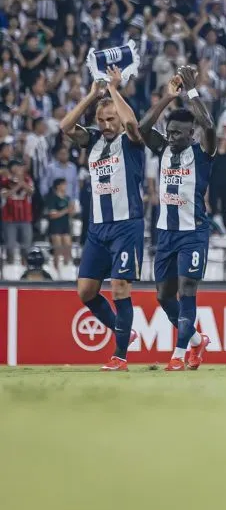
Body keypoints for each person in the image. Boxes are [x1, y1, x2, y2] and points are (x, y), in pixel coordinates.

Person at [59, 70, 145, 371]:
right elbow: (65, 125)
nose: (107, 125)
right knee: (86, 292)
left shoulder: (132, 143)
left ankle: (120, 356)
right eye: (103, 120)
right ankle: (126, 332)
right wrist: (93, 96)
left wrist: (114, 89)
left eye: (111, 120)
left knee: (120, 285)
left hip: (127, 224)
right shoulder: (93, 141)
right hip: (98, 228)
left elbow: (133, 123)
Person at [139, 66, 216, 371]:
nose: (171, 137)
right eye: (169, 132)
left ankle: (180, 354)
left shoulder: (203, 152)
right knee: (163, 297)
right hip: (165, 233)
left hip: (193, 233)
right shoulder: (163, 149)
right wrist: (166, 99)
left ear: (190, 134)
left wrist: (192, 90)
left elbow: (208, 125)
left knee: (187, 290)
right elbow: (143, 130)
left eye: (177, 133)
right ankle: (197, 341)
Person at [44, 177, 76, 270]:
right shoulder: (52, 198)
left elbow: (70, 213)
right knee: (57, 249)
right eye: (64, 184)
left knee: (68, 247)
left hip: (65, 225)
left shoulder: (67, 198)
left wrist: (72, 210)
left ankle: (66, 267)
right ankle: (56, 268)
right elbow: (52, 214)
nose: (66, 186)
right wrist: (66, 210)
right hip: (55, 226)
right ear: (58, 186)